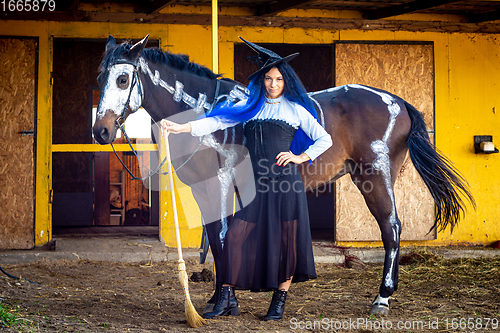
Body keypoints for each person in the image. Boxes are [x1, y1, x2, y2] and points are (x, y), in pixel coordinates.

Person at [161, 37, 332, 321]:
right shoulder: (250, 107)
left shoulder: (296, 110)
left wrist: (300, 157)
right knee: (235, 238)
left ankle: (278, 302)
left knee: (287, 244)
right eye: (268, 79)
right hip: (255, 186)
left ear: (285, 81)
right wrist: (181, 127)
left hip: (286, 185)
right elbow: (216, 120)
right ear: (262, 81)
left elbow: (324, 138)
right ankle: (227, 295)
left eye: (278, 79)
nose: (273, 84)